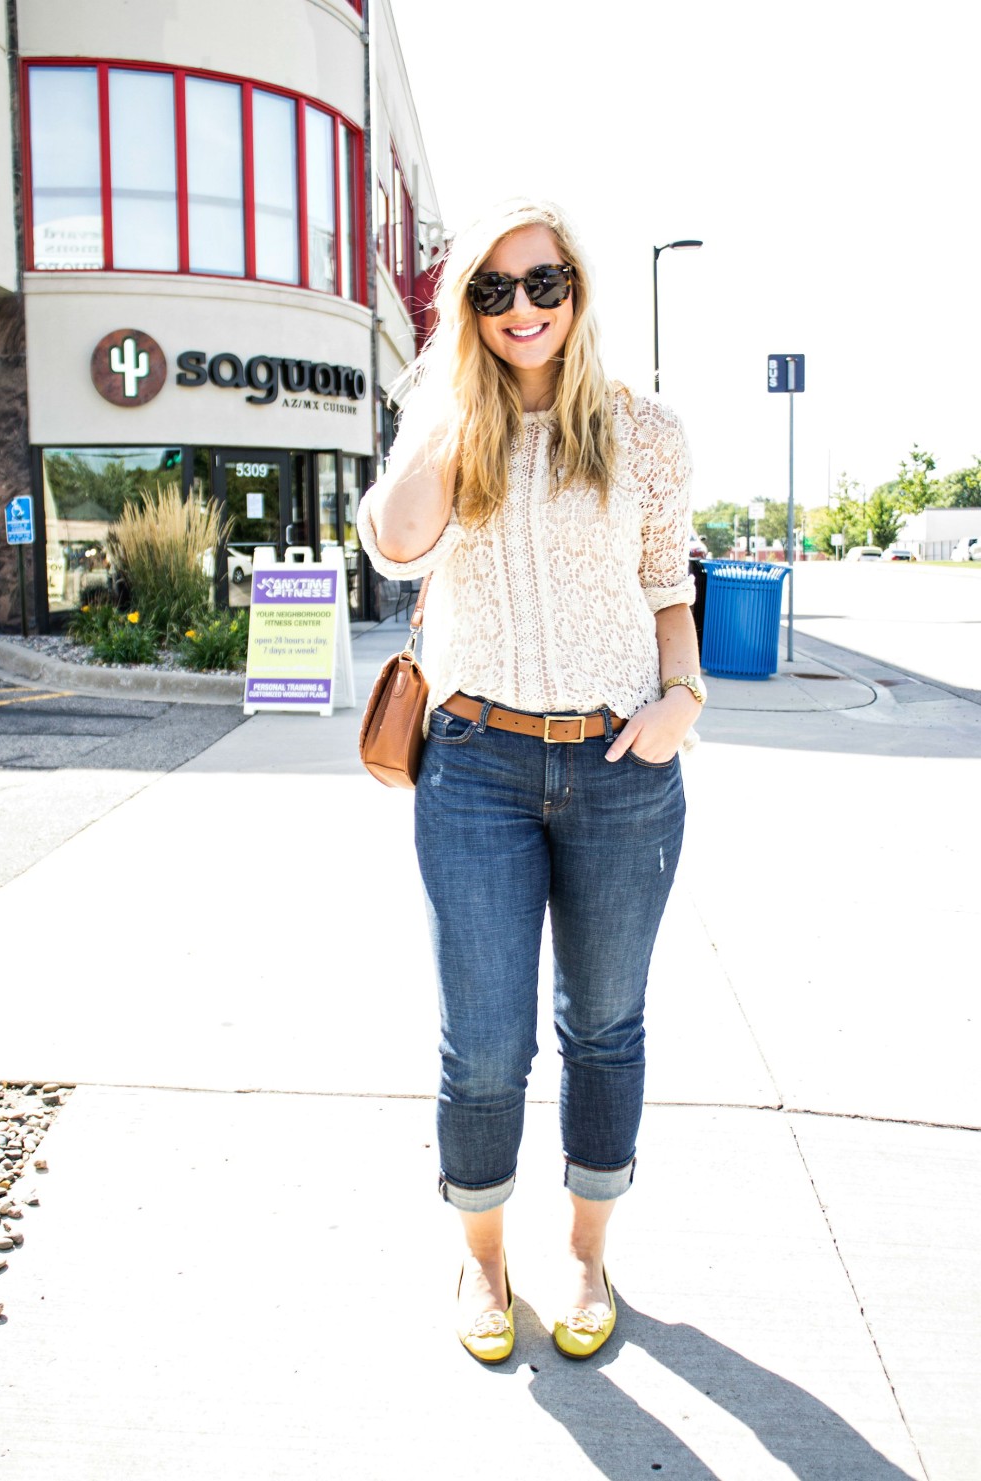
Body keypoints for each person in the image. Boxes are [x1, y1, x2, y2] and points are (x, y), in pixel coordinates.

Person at [356, 199, 704, 1365]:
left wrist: (680, 702)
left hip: (620, 765)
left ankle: (592, 1257)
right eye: (492, 290)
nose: (522, 309)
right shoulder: (452, 421)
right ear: (467, 307)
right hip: (476, 765)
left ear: (578, 287)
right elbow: (396, 544)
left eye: (542, 282)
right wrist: (448, 405)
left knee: (604, 1027)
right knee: (485, 1042)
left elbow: (667, 584)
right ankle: (484, 1261)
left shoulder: (646, 433)